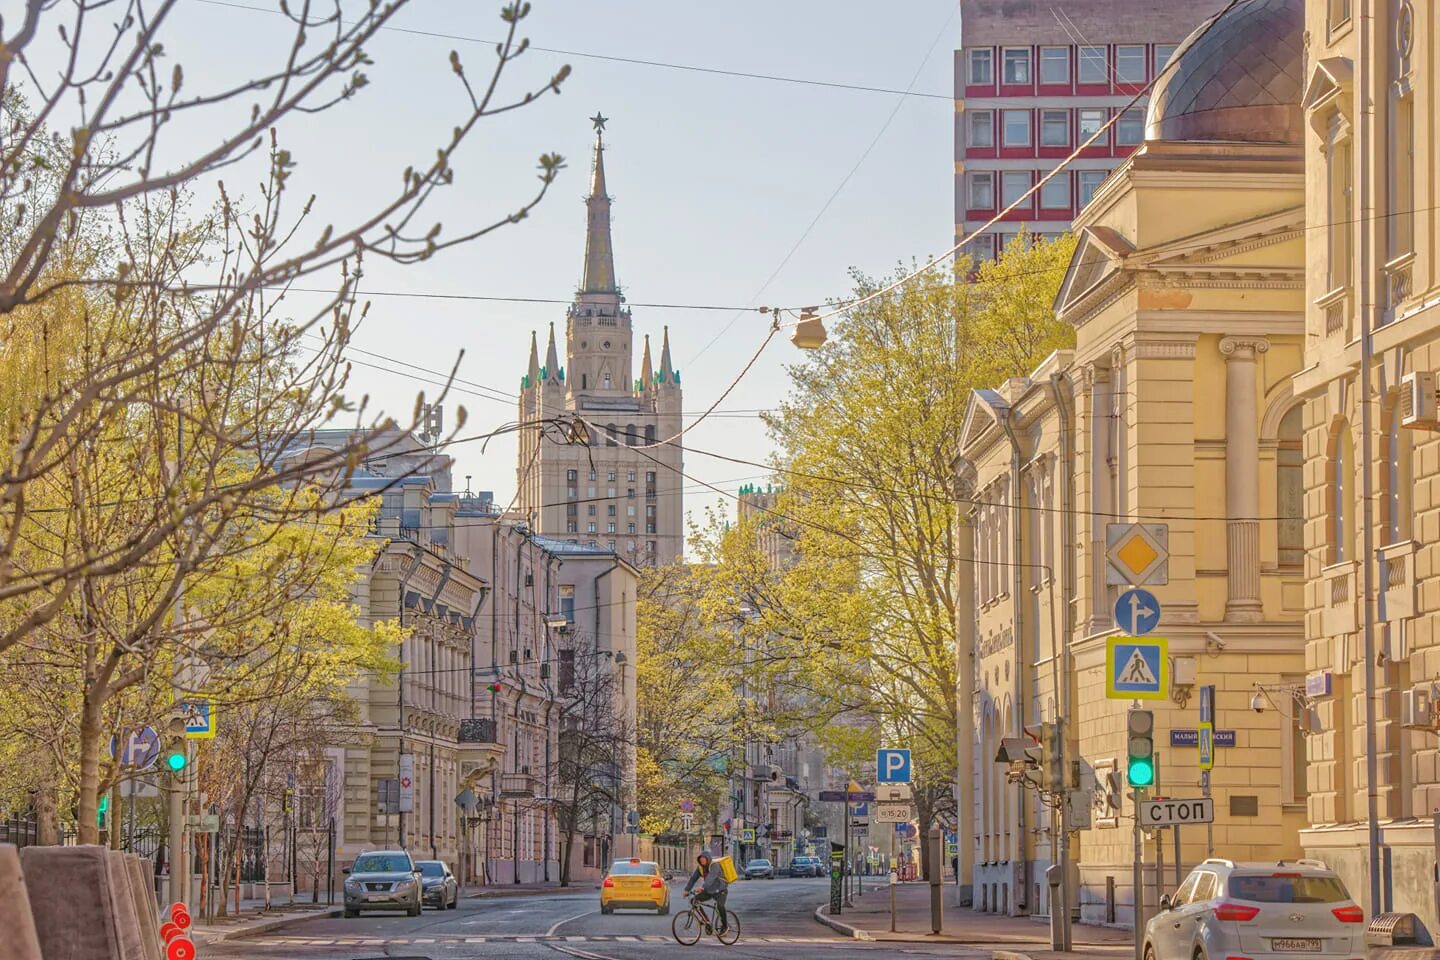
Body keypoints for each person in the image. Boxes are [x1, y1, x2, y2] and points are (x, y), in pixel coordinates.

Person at [683, 852, 729, 933]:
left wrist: (702, 887)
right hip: (709, 891)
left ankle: (725, 926)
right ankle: (707, 921)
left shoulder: (715, 865)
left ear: (708, 859)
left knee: (720, 906)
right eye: (700, 860)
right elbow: (693, 878)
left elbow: (710, 878)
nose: (702, 861)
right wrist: (687, 890)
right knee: (694, 901)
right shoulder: (700, 867)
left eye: (704, 859)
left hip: (720, 890)